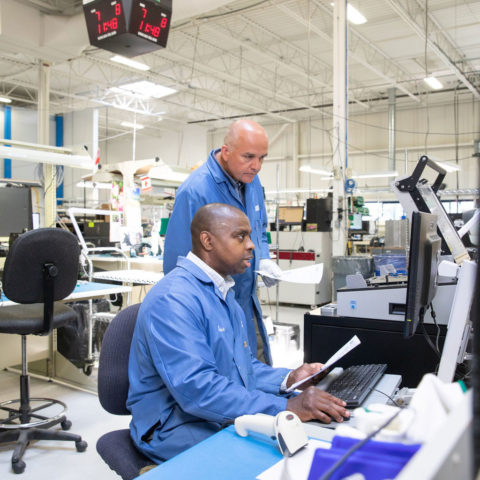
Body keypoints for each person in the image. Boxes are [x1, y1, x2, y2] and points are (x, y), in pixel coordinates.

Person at [127, 203, 349, 464]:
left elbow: (242, 367)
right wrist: (286, 408)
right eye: (240, 236)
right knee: (284, 457)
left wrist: (289, 378)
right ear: (207, 241)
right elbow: (198, 391)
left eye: (250, 236)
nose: (252, 245)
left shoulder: (223, 292)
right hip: (173, 426)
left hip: (207, 413)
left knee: (314, 442)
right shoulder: (174, 299)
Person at [163, 119, 281, 365]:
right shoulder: (195, 191)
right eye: (249, 156)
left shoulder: (252, 181)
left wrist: (264, 256)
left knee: (257, 368)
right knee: (227, 376)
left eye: (262, 158)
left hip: (246, 301)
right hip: (212, 307)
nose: (256, 166)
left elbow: (258, 227)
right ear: (226, 152)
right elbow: (177, 263)